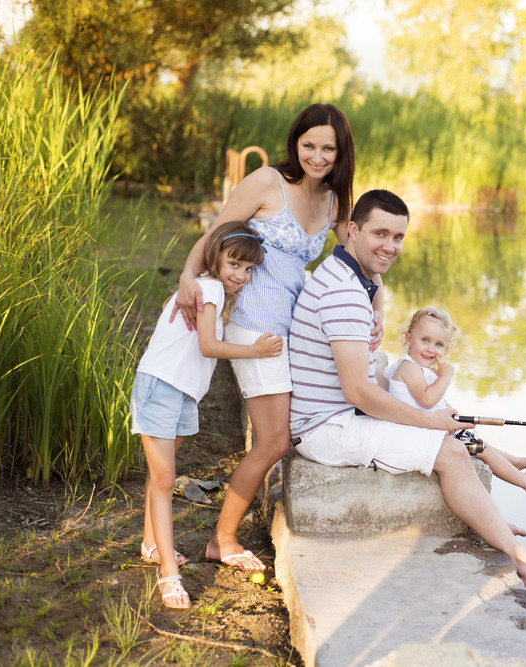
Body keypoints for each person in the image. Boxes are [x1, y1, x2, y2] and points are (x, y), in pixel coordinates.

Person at [288, 189, 526, 594]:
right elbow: (358, 391)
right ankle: (525, 565)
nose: (390, 246)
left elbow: (365, 362)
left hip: (337, 414)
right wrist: (429, 420)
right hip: (329, 427)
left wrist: (377, 300)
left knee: (451, 436)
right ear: (352, 230)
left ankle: (495, 525)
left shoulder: (346, 276)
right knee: (449, 448)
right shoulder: (344, 293)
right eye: (380, 234)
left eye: (398, 237)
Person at [171, 103, 381, 572]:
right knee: (273, 440)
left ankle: (224, 535)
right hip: (251, 320)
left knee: (292, 427)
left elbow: (361, 255)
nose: (318, 156)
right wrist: (189, 275)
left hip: (293, 323)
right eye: (309, 145)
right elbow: (218, 231)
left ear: (341, 150)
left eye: (328, 147)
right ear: (296, 143)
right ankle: (222, 540)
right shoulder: (268, 182)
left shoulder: (335, 203)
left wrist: (377, 302)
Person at [131, 222, 282, 609]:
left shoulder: (210, 288)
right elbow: (208, 345)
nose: (242, 276)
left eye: (249, 269)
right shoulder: (210, 288)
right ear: (215, 257)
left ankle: (151, 543)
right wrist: (258, 351)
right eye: (234, 264)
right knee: (164, 478)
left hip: (179, 391)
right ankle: (168, 571)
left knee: (159, 473)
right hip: (162, 386)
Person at [387, 307, 526, 493]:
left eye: (439, 344)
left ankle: (515, 462)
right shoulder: (409, 367)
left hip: (429, 430)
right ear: (408, 339)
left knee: (475, 438)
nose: (431, 349)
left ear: (445, 348)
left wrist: (449, 410)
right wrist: (446, 376)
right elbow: (426, 399)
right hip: (417, 436)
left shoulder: (423, 369)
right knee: (481, 448)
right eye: (425, 340)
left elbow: (432, 402)